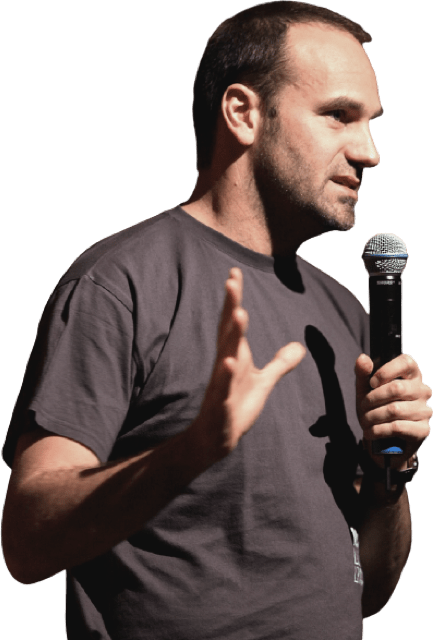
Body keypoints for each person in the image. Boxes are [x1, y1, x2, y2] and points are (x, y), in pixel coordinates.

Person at [1, 1, 431, 638]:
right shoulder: (121, 285)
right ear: (242, 113)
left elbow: (370, 590)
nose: (370, 152)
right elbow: (27, 544)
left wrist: (389, 474)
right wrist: (192, 450)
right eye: (339, 115)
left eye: (371, 123)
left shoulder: (345, 315)